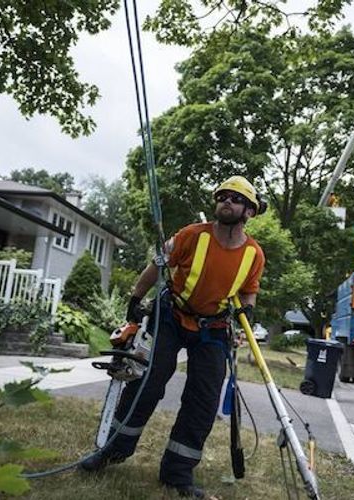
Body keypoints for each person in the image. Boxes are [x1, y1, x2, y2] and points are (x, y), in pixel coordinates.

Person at [81, 176, 267, 498]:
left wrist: (247, 311)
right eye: (222, 196)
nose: (226, 201)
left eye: (235, 199)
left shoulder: (254, 255)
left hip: (214, 329)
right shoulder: (191, 235)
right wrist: (136, 298)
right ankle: (113, 450)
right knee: (147, 380)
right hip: (171, 315)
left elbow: (249, 291)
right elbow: (157, 265)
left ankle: (178, 474)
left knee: (203, 399)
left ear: (249, 211)